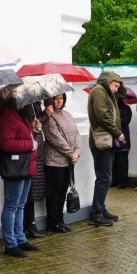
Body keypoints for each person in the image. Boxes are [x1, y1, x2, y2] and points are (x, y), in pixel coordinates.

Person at [0, 100, 39, 257]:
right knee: (11, 206)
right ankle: (10, 243)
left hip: (25, 167)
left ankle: (20, 239)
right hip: (15, 168)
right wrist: (30, 145)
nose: (25, 104)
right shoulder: (5, 116)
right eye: (22, 102)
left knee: (20, 205)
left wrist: (35, 130)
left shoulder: (20, 116)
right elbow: (6, 143)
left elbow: (27, 138)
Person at [87, 70, 125, 226]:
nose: (116, 89)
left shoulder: (107, 91)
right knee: (104, 178)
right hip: (102, 141)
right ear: (108, 82)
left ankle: (101, 210)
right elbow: (102, 115)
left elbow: (122, 93)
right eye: (115, 85)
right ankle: (96, 213)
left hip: (107, 140)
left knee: (105, 177)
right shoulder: (98, 90)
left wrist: (117, 79)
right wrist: (117, 132)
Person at [42, 93, 81, 233]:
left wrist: (77, 151)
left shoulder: (68, 115)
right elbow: (55, 138)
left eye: (61, 98)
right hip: (54, 161)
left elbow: (76, 134)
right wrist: (71, 153)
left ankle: (60, 220)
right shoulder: (48, 117)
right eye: (56, 99)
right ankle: (53, 223)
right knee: (55, 192)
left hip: (68, 161)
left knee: (63, 192)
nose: (59, 101)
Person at [23, 103, 47, 239]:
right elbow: (31, 120)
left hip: (37, 152)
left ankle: (29, 223)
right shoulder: (28, 104)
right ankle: (29, 224)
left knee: (30, 191)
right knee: (29, 192)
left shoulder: (35, 103)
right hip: (31, 153)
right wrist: (45, 114)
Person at [111, 87, 133, 189]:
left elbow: (125, 122)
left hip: (123, 138)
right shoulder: (110, 108)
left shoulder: (126, 108)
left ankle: (123, 181)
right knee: (113, 160)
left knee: (122, 161)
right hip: (113, 138)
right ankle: (114, 180)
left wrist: (115, 118)